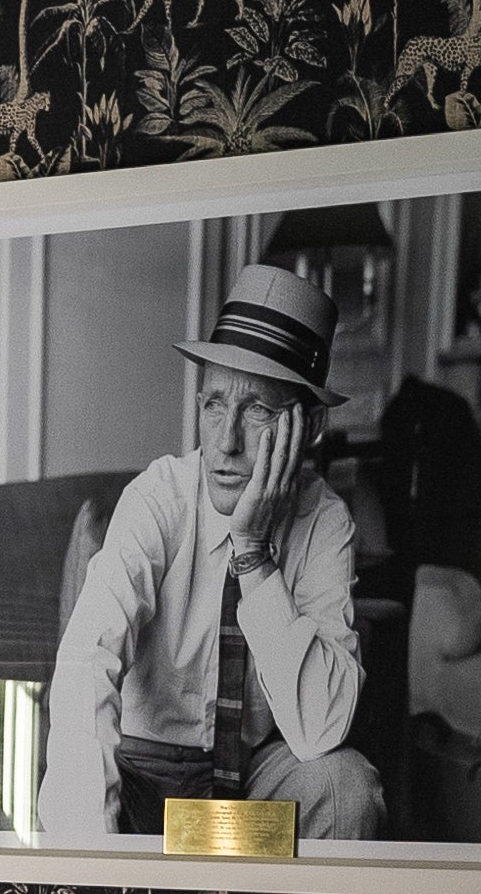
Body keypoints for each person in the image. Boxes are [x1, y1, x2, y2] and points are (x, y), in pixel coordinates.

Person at [37, 263, 383, 841]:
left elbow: (322, 729)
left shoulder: (325, 523)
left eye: (257, 411)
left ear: (312, 425)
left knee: (346, 787)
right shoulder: (159, 497)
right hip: (142, 775)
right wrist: (86, 866)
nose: (225, 443)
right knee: (86, 795)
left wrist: (253, 553)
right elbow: (86, 659)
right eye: (215, 405)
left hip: (250, 783)